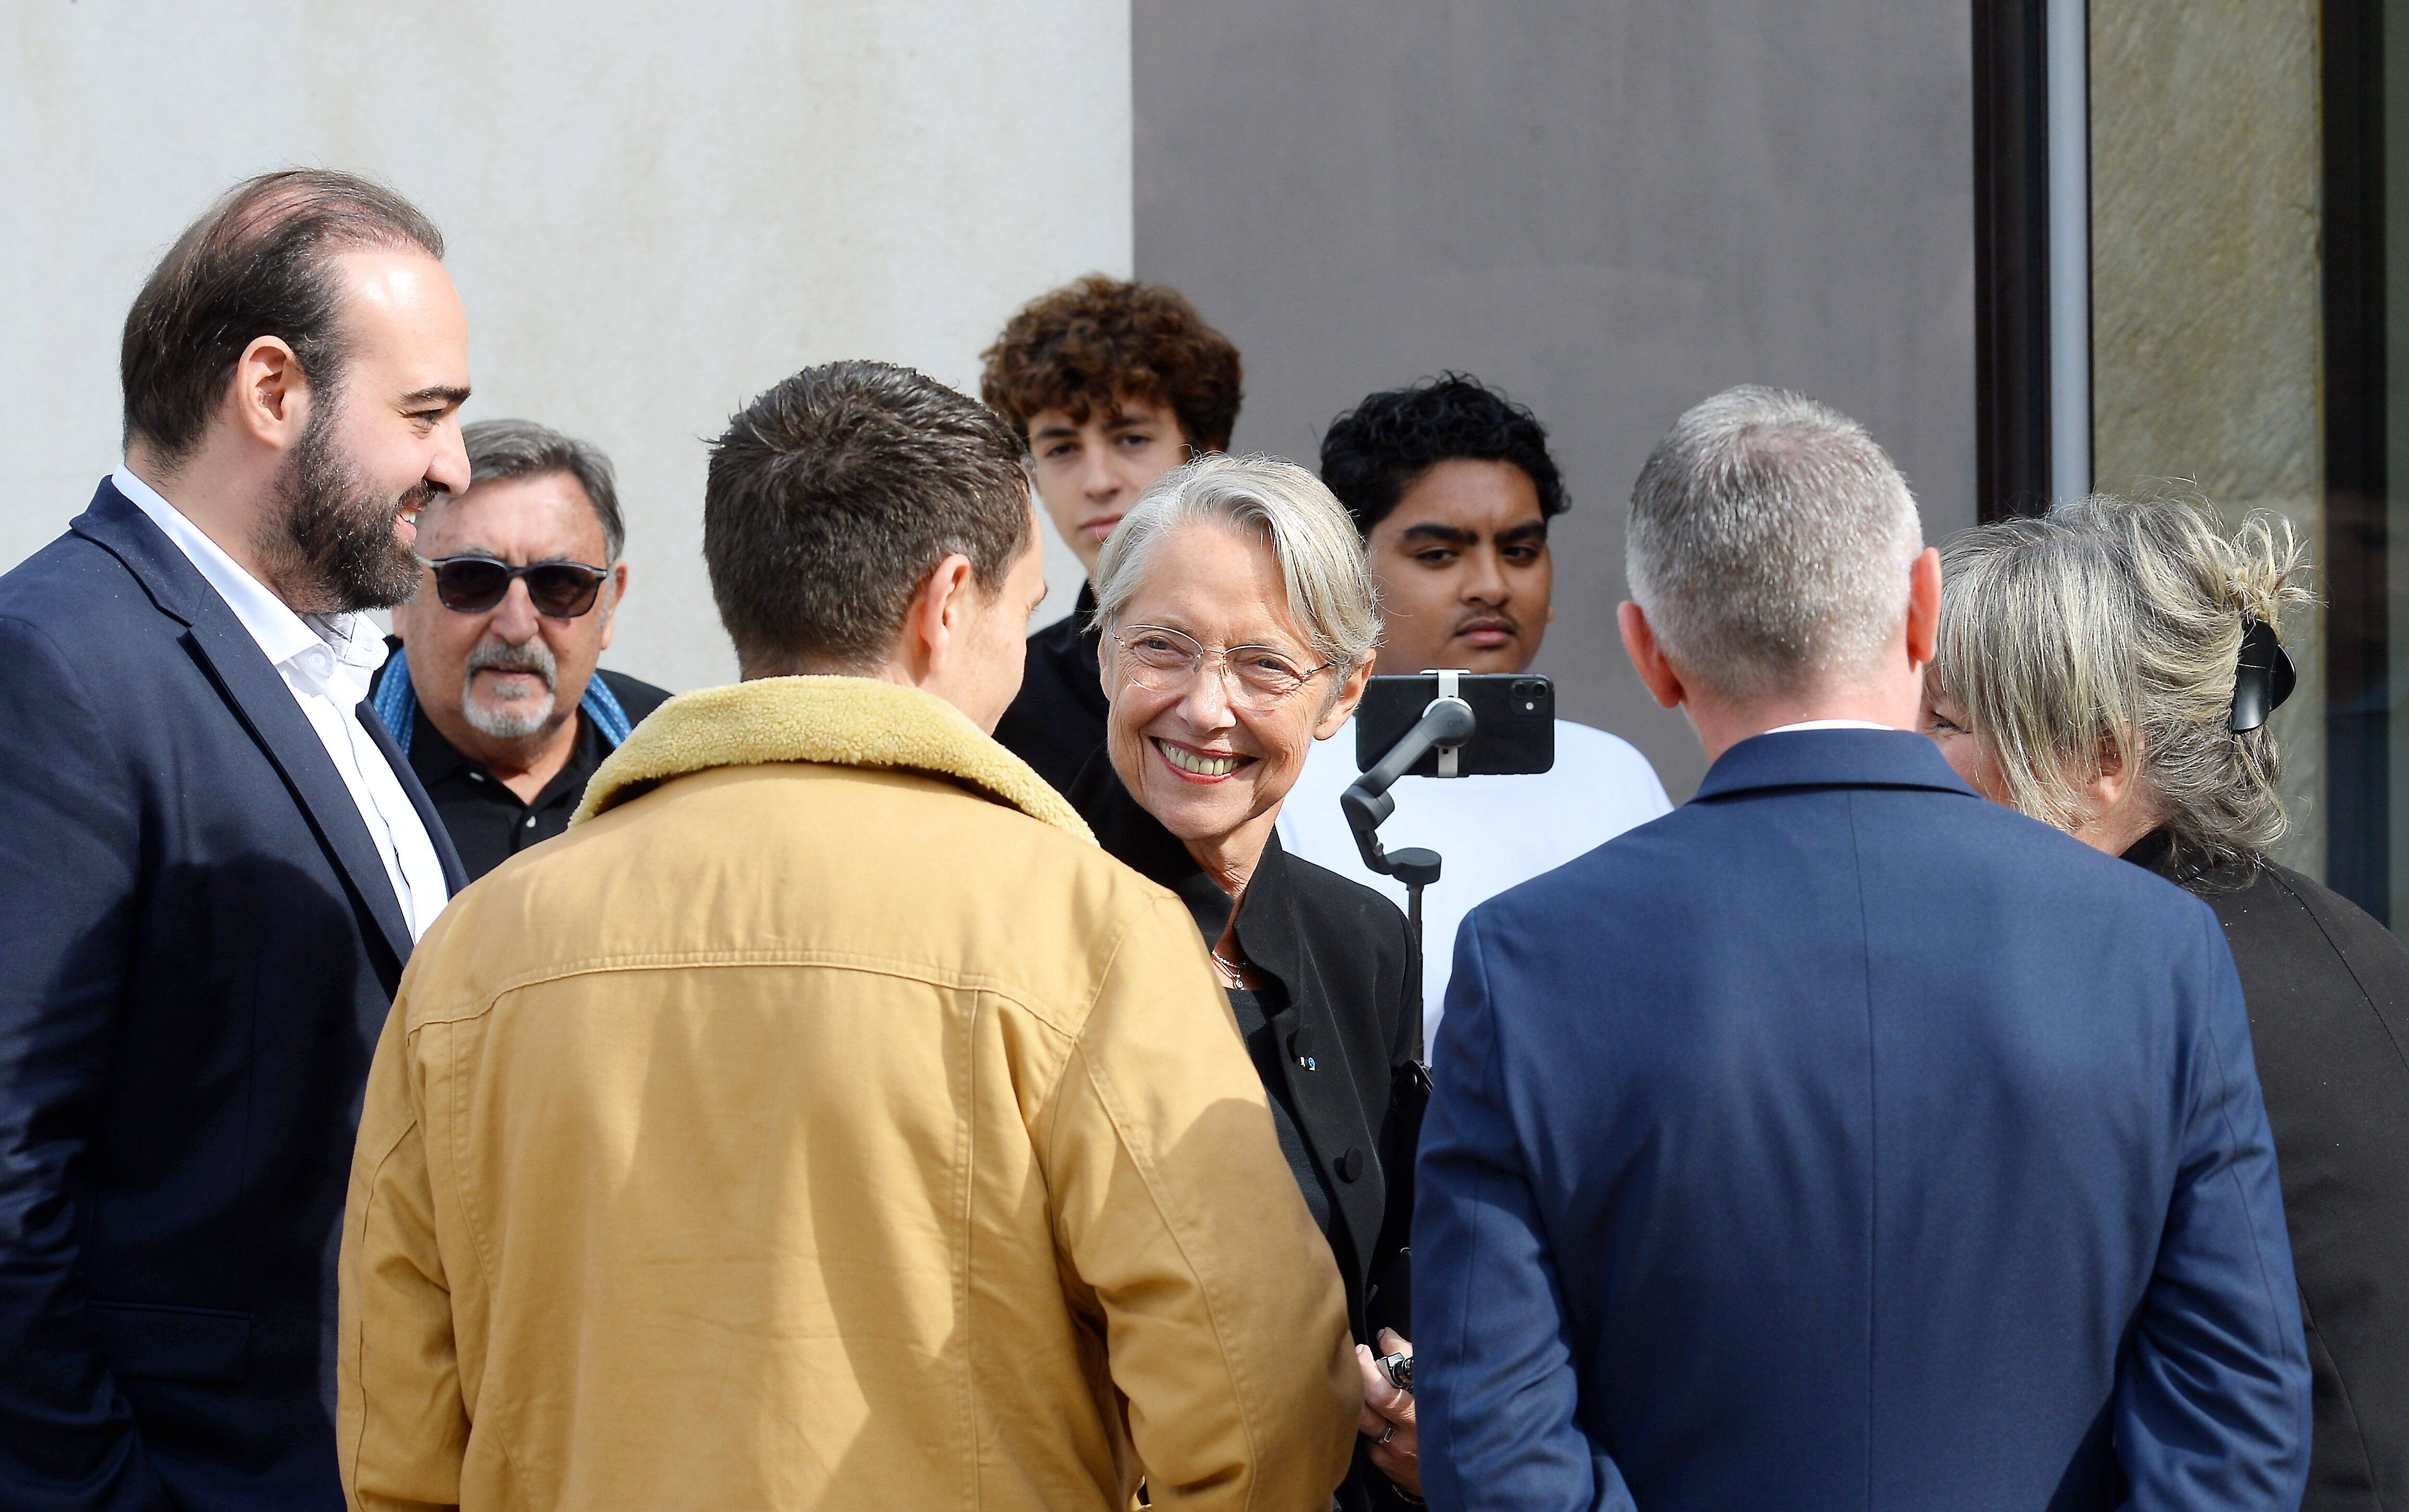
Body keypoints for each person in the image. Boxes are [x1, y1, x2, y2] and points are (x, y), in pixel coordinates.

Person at [337, 362, 1357, 1511]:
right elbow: (1256, 1400)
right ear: (947, 601)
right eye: (1024, 612)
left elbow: (395, 1433)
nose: (1025, 656)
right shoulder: (1088, 929)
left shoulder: (478, 947)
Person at [1413, 386, 2310, 1511]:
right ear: (1926, 612)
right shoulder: (2152, 945)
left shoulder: (1528, 960)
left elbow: (1492, 1443)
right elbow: (2236, 1424)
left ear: (1648, 656)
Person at [0, 171, 470, 1511]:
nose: (455, 467)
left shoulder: (313, 675)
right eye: (427, 414)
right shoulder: (57, 667)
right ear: (272, 392)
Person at [1925, 491, 2408, 1511]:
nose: (1900, 759)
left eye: (1940, 723)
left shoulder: (2118, 988)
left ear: (2102, 759)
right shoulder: (2316, 927)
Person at [1073, 454, 1426, 1508]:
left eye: (1264, 666)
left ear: (1343, 692)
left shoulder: (1360, 936)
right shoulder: (1026, 923)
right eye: (1162, 648)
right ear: (1101, 655)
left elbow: (1389, 1251)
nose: (1205, 707)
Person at [1279, 376, 1669, 1038]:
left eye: (1519, 551)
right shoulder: (1283, 778)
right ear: (1344, 574)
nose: (1491, 586)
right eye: (1438, 554)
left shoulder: (1615, 774)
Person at [374, 418, 671, 880]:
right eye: (472, 579)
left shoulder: (677, 761)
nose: (516, 627)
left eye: (558, 584)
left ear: (610, 605)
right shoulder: (327, 762)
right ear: (401, 596)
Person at [982, 273, 1244, 793]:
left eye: (1130, 438)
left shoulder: (1293, 668)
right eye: (1061, 449)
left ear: (1204, 451)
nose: (1097, 482)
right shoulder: (1007, 695)